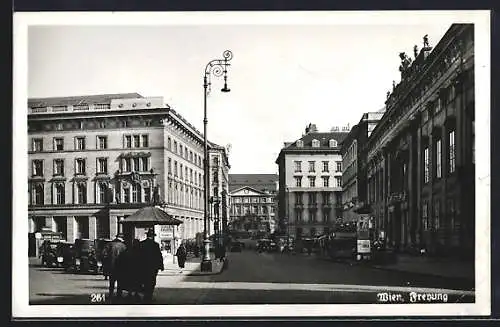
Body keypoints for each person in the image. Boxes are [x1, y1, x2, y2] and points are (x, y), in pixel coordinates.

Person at [140, 229, 164, 303]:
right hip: (153, 267)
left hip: (143, 266)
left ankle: (145, 295)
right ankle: (149, 295)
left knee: (144, 280)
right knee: (152, 281)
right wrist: (161, 265)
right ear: (153, 236)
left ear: (147, 235)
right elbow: (159, 256)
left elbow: (138, 255)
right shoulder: (155, 245)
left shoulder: (142, 244)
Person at [103, 233, 127, 298]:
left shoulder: (109, 244)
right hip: (120, 267)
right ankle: (119, 295)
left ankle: (111, 294)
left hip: (111, 266)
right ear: (122, 238)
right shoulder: (123, 246)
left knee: (111, 282)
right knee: (120, 282)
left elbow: (104, 254)